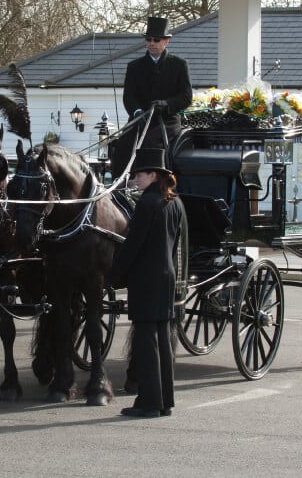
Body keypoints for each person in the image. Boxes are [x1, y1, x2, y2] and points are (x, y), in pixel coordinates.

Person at [106, 148, 182, 418]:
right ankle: (164, 401)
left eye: (139, 173)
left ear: (153, 174)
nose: (135, 178)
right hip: (166, 275)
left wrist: (113, 277)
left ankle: (149, 402)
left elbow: (132, 246)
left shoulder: (148, 203)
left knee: (147, 342)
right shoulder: (174, 202)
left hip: (146, 279)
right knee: (161, 339)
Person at [110, 16, 193, 175]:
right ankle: (120, 183)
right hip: (140, 118)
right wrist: (137, 112)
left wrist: (167, 104)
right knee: (123, 143)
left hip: (166, 120)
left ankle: (154, 182)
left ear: (165, 41)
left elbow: (186, 96)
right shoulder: (134, 67)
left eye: (156, 39)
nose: (151, 43)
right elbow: (129, 96)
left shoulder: (179, 65)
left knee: (149, 141)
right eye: (148, 39)